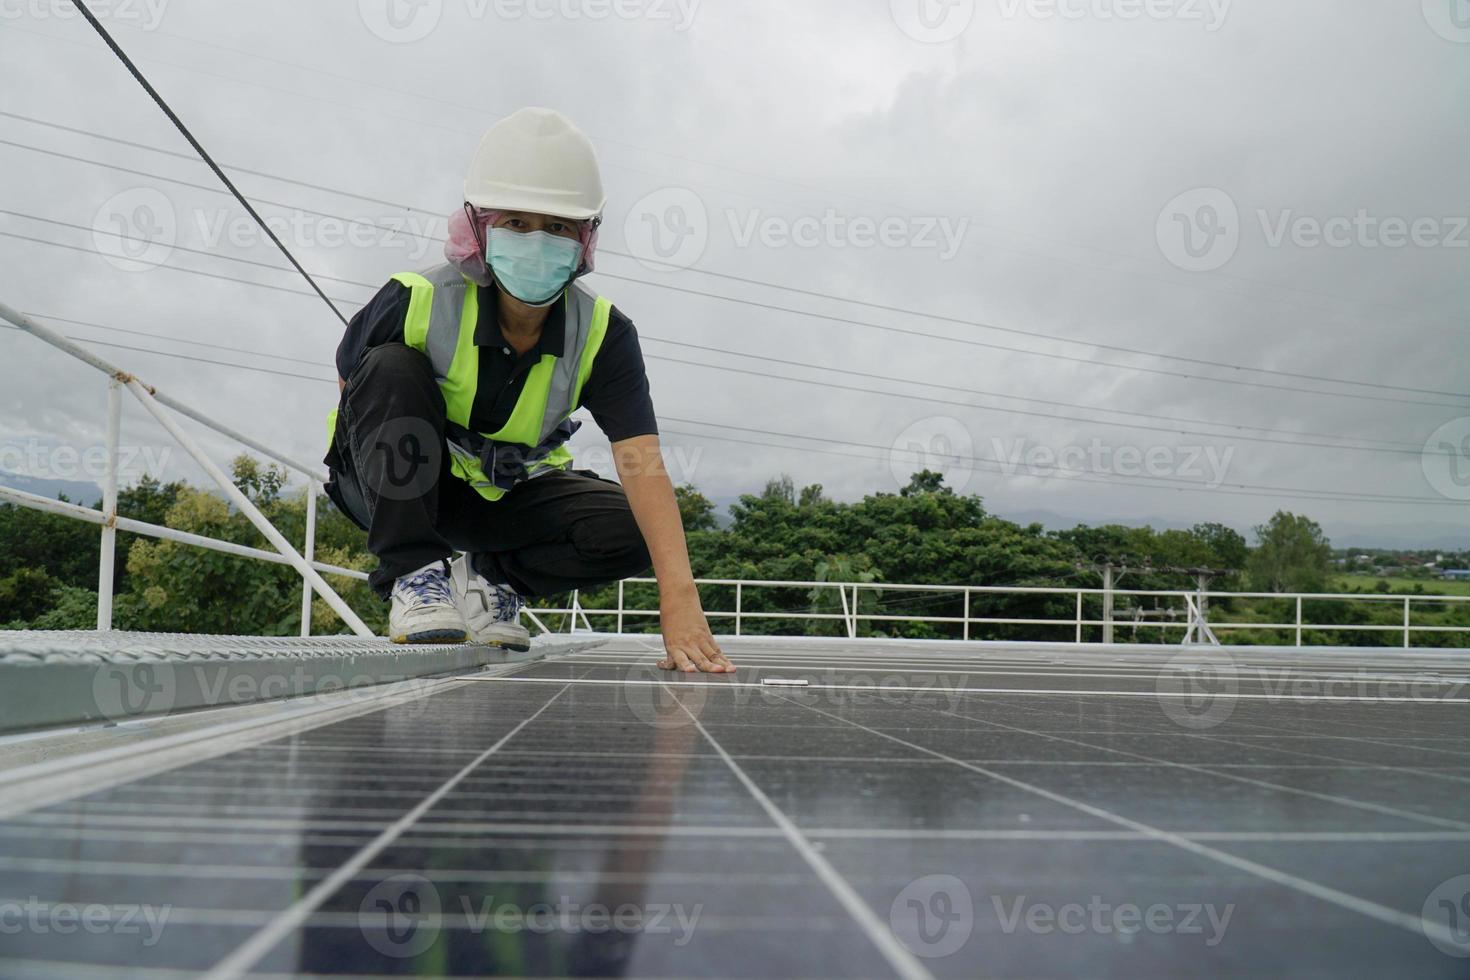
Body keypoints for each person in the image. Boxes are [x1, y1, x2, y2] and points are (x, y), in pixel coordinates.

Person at [323, 107, 734, 674]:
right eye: (516, 223)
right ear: (477, 229)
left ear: (585, 241)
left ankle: (490, 577)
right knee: (391, 367)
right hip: (388, 491)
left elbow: (640, 459)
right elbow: (354, 384)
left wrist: (680, 600)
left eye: (559, 227)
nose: (537, 241)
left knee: (629, 532)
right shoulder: (413, 298)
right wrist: (402, 493)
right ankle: (415, 574)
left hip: (497, 498)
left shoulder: (604, 334)